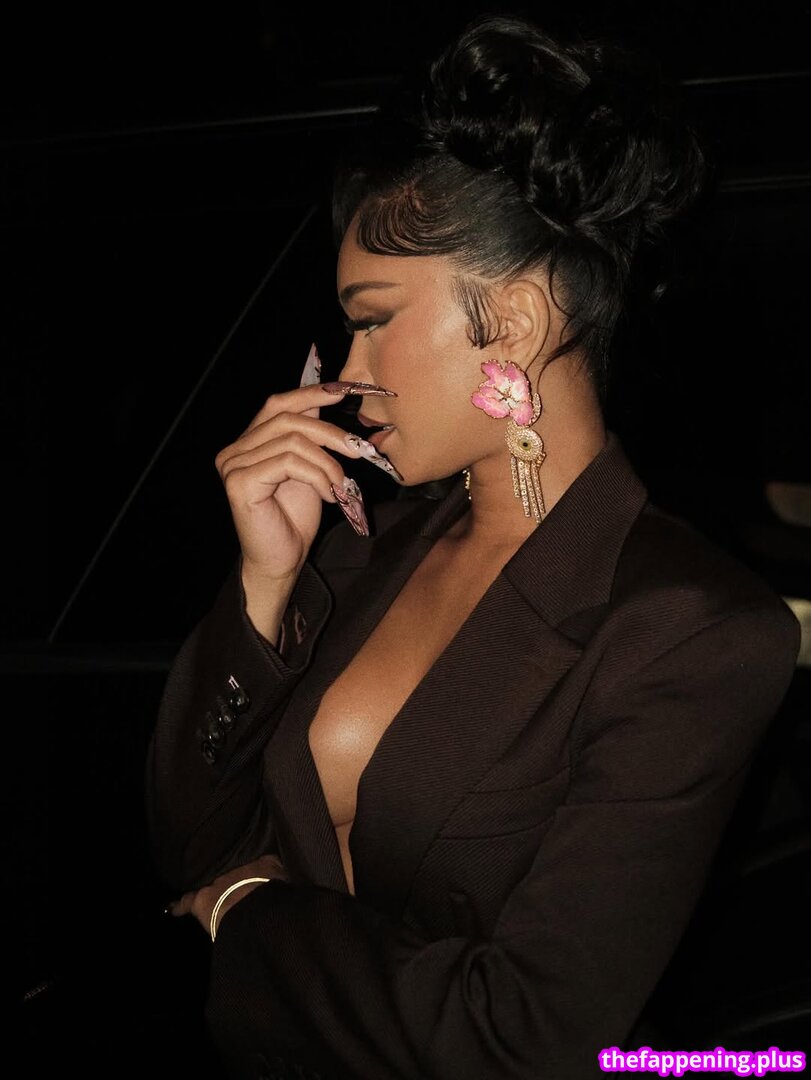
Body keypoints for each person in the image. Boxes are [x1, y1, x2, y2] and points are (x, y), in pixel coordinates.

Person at [145, 12, 801, 1079]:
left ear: (516, 323)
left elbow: (524, 1039)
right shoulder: (363, 549)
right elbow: (190, 851)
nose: (348, 370)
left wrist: (253, 912)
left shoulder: (693, 633)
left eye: (372, 318)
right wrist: (265, 586)